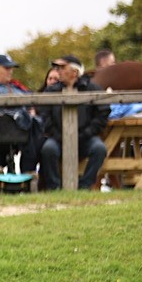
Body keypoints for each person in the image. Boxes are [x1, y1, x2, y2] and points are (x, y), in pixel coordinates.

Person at [38, 55, 110, 190]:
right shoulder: (51, 91)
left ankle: (85, 186)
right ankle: (54, 187)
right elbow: (44, 115)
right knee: (48, 150)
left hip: (86, 137)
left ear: (74, 72)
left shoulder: (93, 89)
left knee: (99, 149)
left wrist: (85, 133)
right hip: (58, 138)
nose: (57, 71)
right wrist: (58, 135)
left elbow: (102, 113)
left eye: (62, 67)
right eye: (57, 67)